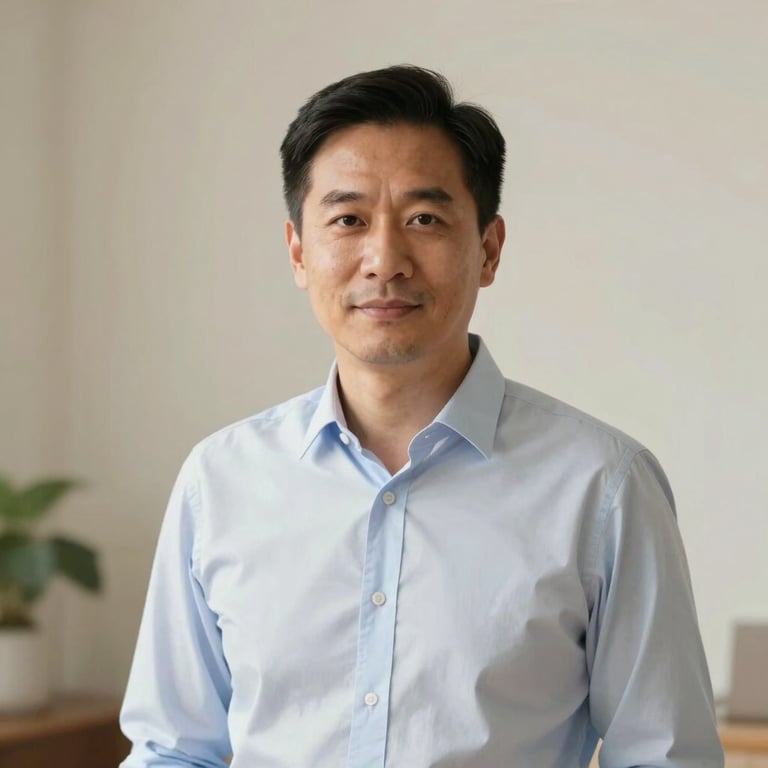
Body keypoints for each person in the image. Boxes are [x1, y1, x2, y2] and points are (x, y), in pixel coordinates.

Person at [120, 65, 723, 767]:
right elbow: (174, 751)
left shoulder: (603, 487)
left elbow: (664, 756)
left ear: (489, 249)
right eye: (347, 220)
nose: (385, 259)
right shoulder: (220, 481)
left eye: (424, 219)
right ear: (298, 253)